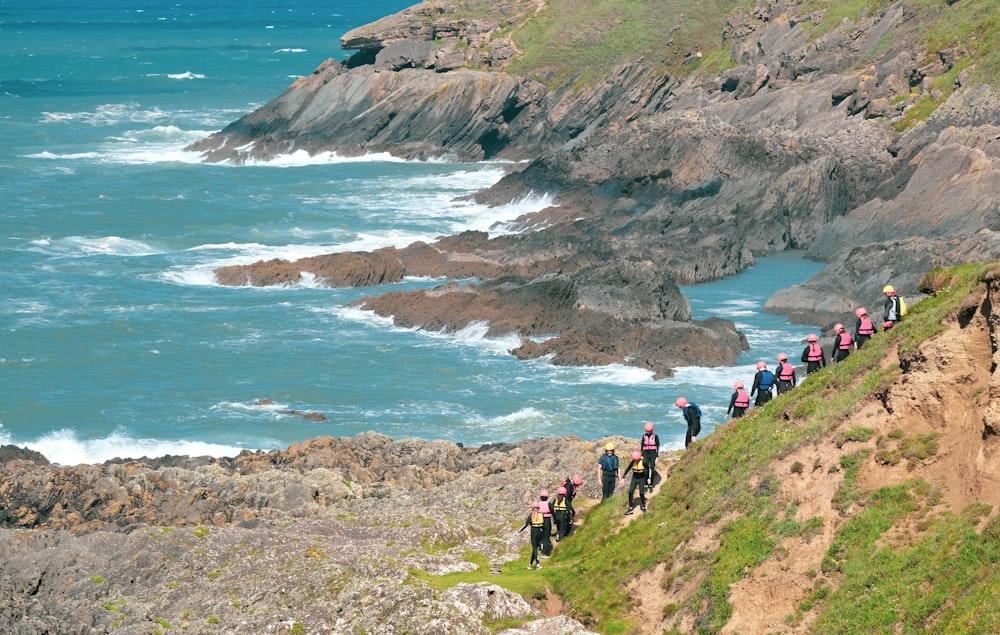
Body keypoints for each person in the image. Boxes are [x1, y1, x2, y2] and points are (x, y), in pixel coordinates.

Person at [518, 501, 546, 569]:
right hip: (540, 531)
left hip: (534, 531)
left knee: (534, 548)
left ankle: (538, 564)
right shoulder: (541, 515)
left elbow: (526, 524)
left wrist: (519, 530)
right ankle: (530, 564)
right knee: (535, 549)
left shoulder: (531, 515)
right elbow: (544, 525)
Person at [622, 450, 647, 515]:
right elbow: (628, 469)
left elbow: (648, 469)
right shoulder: (633, 462)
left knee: (641, 493)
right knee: (630, 492)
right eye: (634, 460)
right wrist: (623, 477)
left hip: (642, 478)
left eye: (637, 460)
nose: (635, 461)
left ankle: (643, 505)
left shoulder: (643, 462)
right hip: (635, 478)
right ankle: (630, 507)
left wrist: (648, 478)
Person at [640, 422, 660, 492]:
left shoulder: (655, 436)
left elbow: (657, 446)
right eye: (647, 431)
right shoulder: (643, 436)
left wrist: (657, 457)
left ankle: (651, 484)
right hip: (645, 453)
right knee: (645, 468)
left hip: (653, 453)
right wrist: (642, 455)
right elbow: (642, 446)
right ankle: (645, 483)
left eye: (649, 431)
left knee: (652, 468)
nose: (648, 432)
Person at [538, 489, 554, 557]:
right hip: (547, 520)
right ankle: (544, 553)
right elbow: (553, 512)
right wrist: (556, 520)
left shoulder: (538, 504)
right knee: (546, 537)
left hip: (539, 520)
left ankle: (541, 546)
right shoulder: (549, 504)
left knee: (541, 535)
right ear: (547, 496)